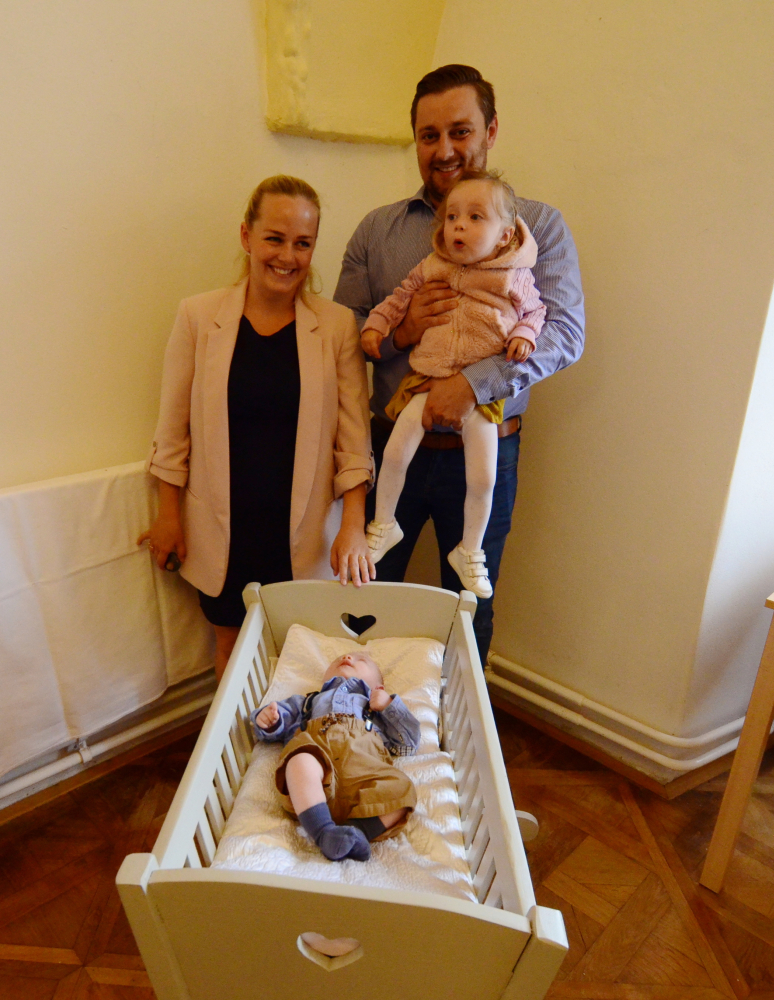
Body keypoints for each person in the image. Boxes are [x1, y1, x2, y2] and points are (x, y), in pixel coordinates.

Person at [334, 65, 585, 661]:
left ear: (491, 131)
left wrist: (473, 385)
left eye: (460, 131)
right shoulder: (378, 231)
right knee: (361, 600)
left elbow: (564, 332)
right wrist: (403, 332)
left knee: (468, 611)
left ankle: (456, 723)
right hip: (391, 442)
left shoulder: (537, 228)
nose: (444, 149)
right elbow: (343, 336)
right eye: (429, 135)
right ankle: (357, 710)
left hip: (490, 446)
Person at [140, 176, 375, 679]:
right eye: (275, 238)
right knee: (231, 648)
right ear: (247, 236)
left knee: (303, 655)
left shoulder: (336, 326)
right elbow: (173, 429)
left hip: (305, 530)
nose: (287, 256)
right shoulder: (198, 317)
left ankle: (292, 735)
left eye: (303, 243)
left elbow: (354, 440)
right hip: (221, 528)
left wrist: (353, 526)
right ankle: (237, 734)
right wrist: (168, 515)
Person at [360, 170, 544, 599]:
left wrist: (524, 335)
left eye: (475, 217)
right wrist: (378, 325)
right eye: (452, 217)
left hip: (481, 398)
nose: (459, 226)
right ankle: (384, 524)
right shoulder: (432, 265)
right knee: (395, 451)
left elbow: (537, 313)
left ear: (504, 236)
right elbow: (398, 298)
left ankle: (470, 550)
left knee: (483, 476)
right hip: (426, 376)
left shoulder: (513, 274)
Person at [253, 650, 420, 862]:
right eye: (339, 659)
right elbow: (277, 720)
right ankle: (323, 832)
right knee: (299, 760)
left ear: (379, 686)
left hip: (365, 772)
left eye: (361, 660)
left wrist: (389, 706)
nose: (347, 658)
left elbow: (408, 743)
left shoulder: (376, 707)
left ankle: (356, 833)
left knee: (402, 789)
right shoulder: (308, 701)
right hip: (317, 767)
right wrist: (268, 720)